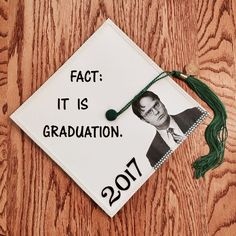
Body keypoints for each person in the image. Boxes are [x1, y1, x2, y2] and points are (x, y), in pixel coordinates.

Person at [132, 91, 204, 167]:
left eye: (156, 105)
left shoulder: (195, 113)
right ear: (144, 120)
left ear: (161, 102)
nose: (156, 112)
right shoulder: (153, 154)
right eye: (149, 112)